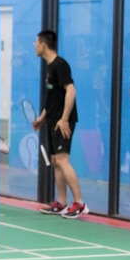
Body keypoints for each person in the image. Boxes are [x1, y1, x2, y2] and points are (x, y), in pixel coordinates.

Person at [33, 29, 89, 218]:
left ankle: (79, 203)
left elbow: (71, 91)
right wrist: (42, 118)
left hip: (62, 121)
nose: (34, 45)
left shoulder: (60, 65)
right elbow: (52, 98)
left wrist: (64, 119)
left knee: (63, 160)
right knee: (56, 161)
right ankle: (62, 203)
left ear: (43, 45)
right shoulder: (49, 68)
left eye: (36, 42)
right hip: (52, 120)